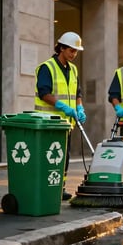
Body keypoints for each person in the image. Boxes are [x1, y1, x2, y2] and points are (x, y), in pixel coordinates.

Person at [35, 31, 86, 201]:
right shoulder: (47, 67)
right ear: (62, 48)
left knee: (64, 156)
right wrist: (62, 106)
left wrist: (80, 108)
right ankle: (44, 186)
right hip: (48, 122)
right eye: (71, 50)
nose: (74, 54)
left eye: (76, 51)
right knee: (49, 155)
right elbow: (44, 93)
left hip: (66, 122)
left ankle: (60, 187)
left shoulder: (73, 69)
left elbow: (77, 93)